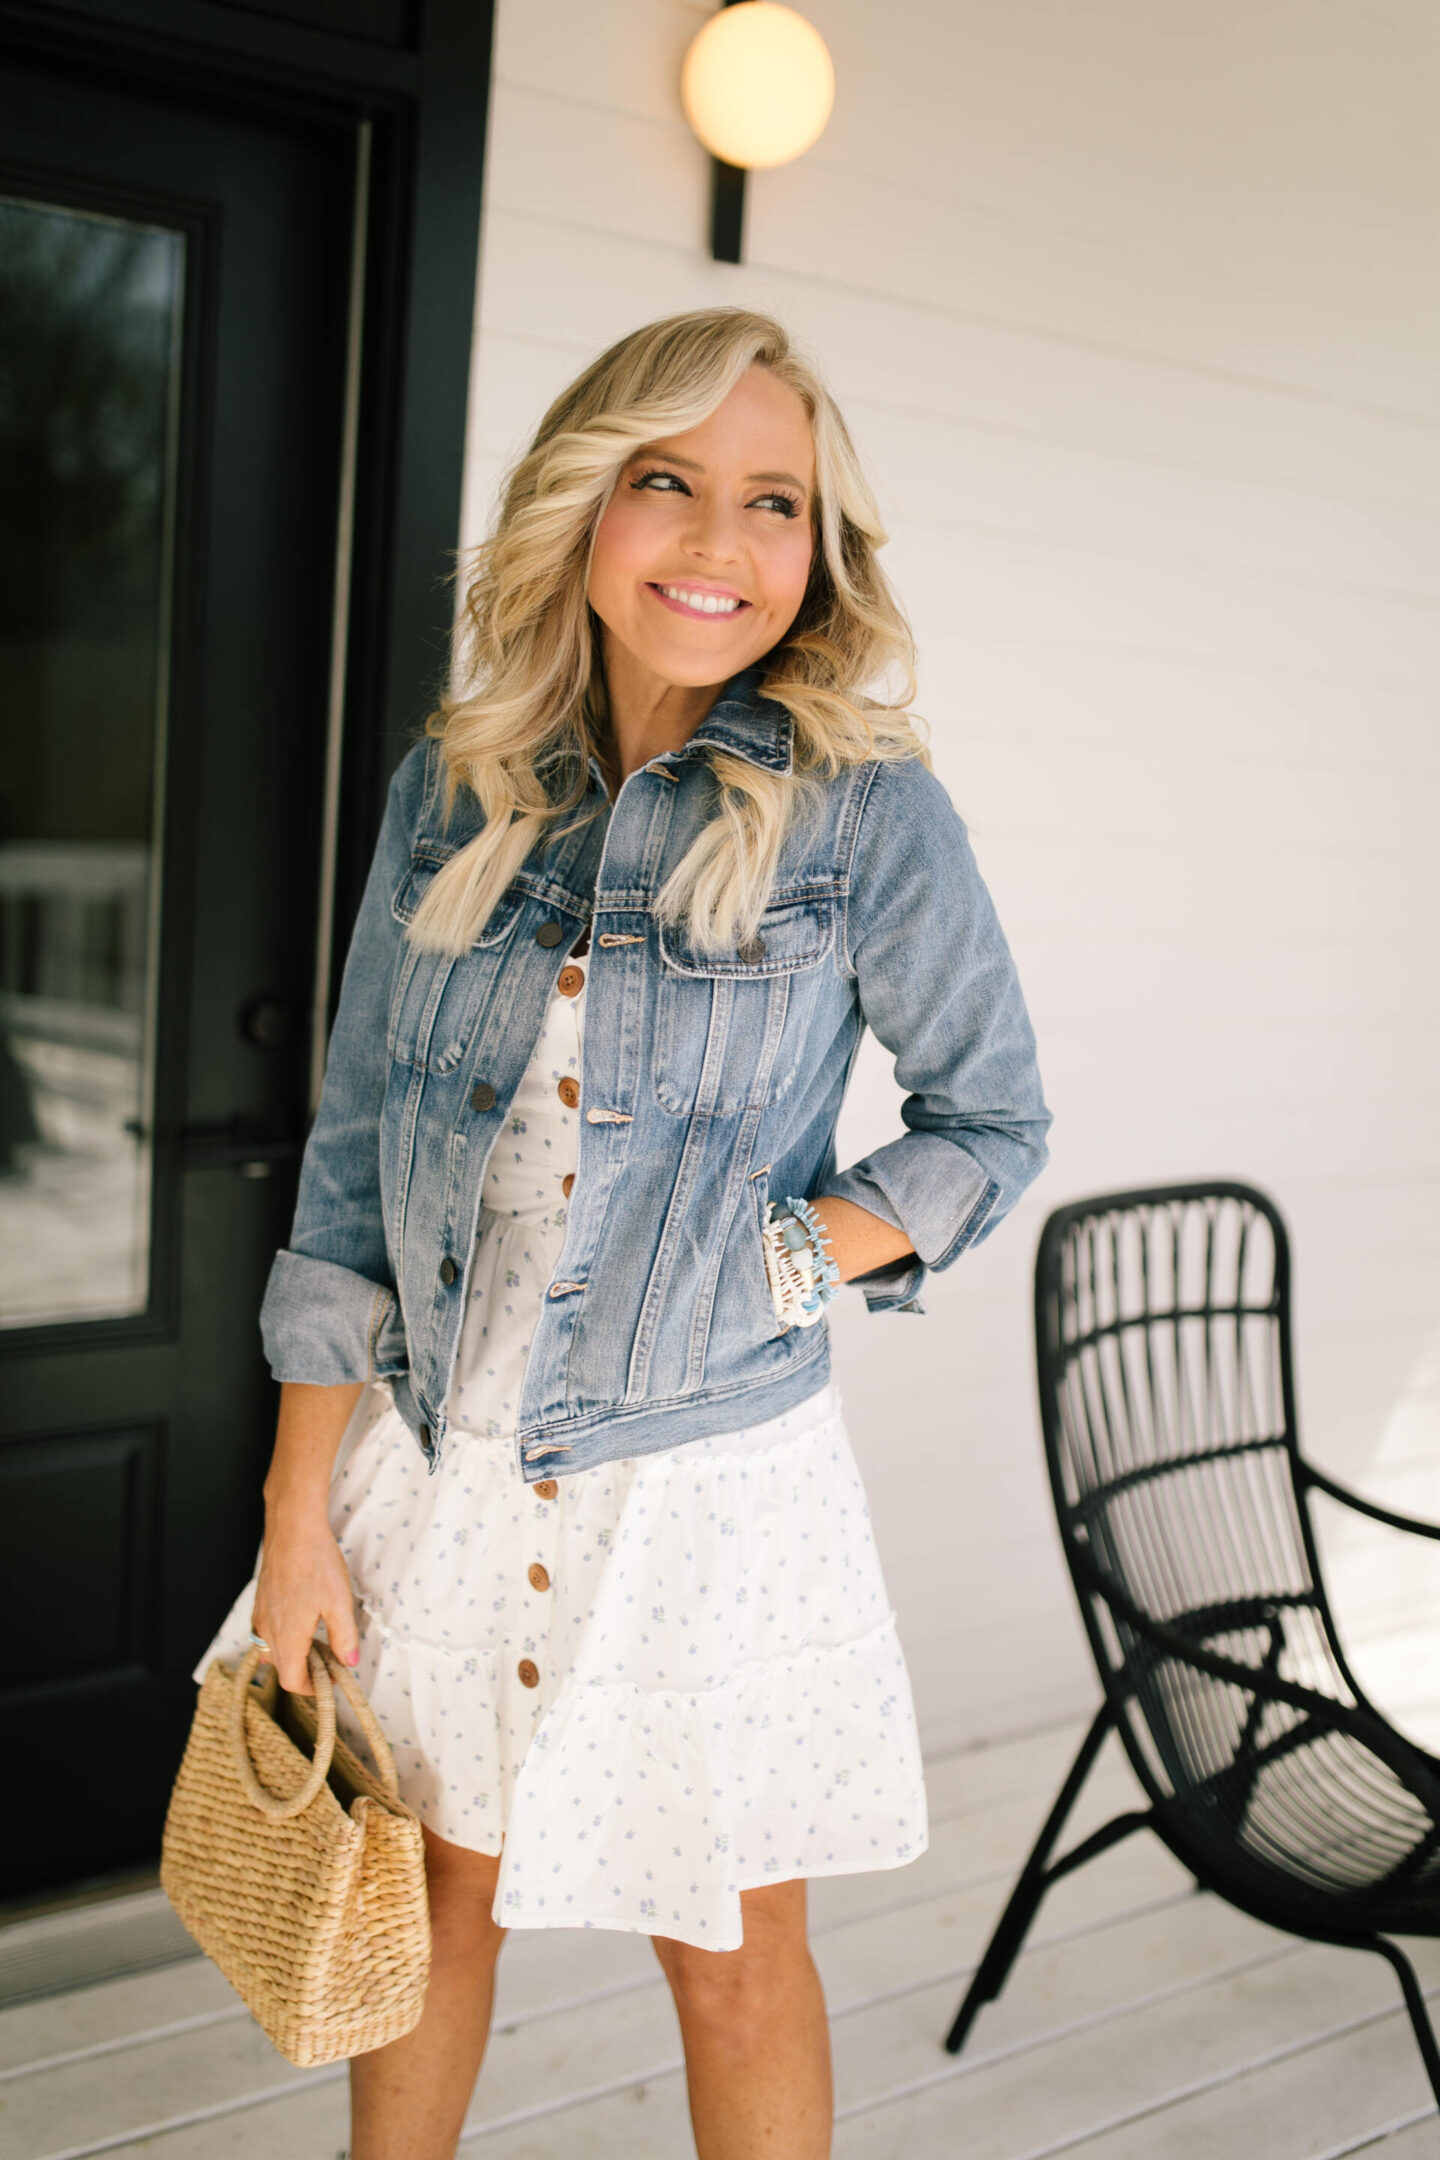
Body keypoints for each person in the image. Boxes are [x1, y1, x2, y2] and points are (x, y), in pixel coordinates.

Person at [194, 307, 1051, 2160]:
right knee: (427, 1908)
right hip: (440, 1448)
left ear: (818, 554)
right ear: (586, 509)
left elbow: (992, 1122)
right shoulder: (458, 782)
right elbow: (349, 1165)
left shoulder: (864, 811)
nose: (718, 546)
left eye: (772, 504)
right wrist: (293, 1516)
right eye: (670, 483)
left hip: (706, 1484)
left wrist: (788, 1260)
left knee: (729, 1962)